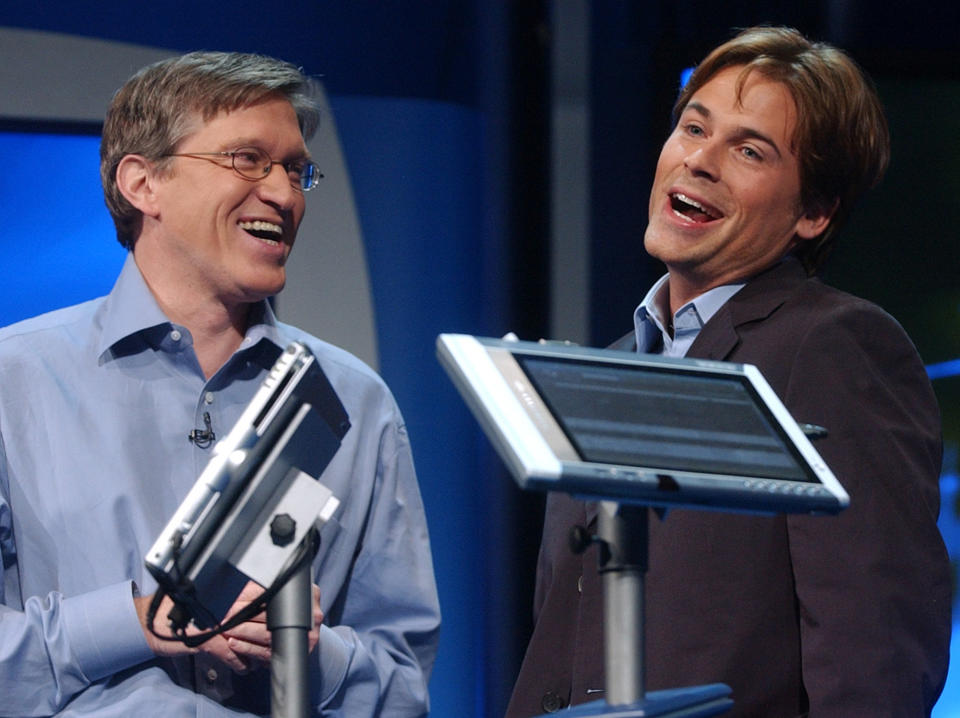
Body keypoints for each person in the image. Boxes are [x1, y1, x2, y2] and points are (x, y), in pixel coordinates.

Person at [506, 26, 951, 717]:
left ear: (815, 212)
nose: (700, 162)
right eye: (693, 128)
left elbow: (876, 655)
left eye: (750, 149)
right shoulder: (613, 363)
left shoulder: (835, 346)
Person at [0, 51, 440, 716]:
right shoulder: (16, 381)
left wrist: (300, 643)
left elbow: (403, 686)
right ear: (143, 184)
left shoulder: (353, 400)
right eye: (247, 160)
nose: (284, 193)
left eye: (296, 170)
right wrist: (140, 621)